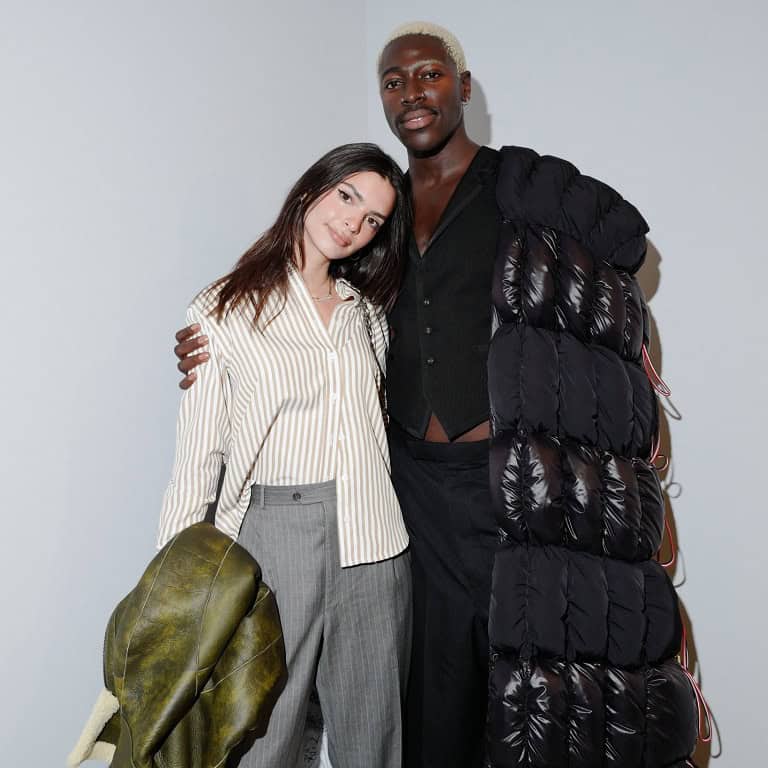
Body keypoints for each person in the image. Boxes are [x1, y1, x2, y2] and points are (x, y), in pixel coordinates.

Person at [175, 22, 698, 768]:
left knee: (541, 693)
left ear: (462, 86)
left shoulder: (515, 185)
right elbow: (306, 311)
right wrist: (214, 341)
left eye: (427, 76)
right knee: (429, 701)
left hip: (513, 484)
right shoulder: (373, 220)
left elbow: (628, 243)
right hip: (409, 491)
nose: (411, 93)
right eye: (393, 81)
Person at [159, 142, 413, 768]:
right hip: (272, 538)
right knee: (260, 735)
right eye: (347, 196)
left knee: (373, 737)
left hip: (374, 540)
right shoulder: (221, 312)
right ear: (311, 190)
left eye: (373, 218)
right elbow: (197, 463)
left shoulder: (368, 318)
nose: (354, 223)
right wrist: (176, 588)